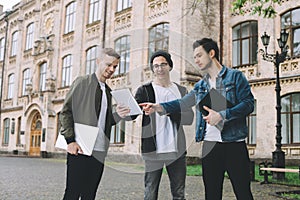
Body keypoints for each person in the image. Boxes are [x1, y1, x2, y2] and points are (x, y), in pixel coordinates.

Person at [140, 38, 254, 200]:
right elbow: (183, 103)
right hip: (210, 146)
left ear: (212, 54)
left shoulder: (235, 77)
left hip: (234, 145)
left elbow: (249, 104)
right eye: (194, 57)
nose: (196, 60)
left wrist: (222, 115)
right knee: (212, 194)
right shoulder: (201, 86)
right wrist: (159, 107)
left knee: (243, 192)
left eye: (199, 55)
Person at [60, 47, 129, 200]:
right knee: (72, 193)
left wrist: (118, 115)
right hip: (79, 148)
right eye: (108, 64)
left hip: (99, 151)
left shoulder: (108, 91)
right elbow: (66, 111)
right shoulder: (83, 82)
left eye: (115, 66)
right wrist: (70, 141)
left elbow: (105, 121)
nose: (111, 69)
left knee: (89, 194)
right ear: (98, 62)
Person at [127, 50, 194, 200]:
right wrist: (123, 108)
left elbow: (189, 118)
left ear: (170, 66)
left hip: (176, 149)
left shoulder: (181, 91)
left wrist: (166, 109)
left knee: (179, 194)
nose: (159, 68)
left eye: (163, 64)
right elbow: (130, 115)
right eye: (155, 66)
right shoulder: (145, 90)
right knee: (150, 193)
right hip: (152, 149)